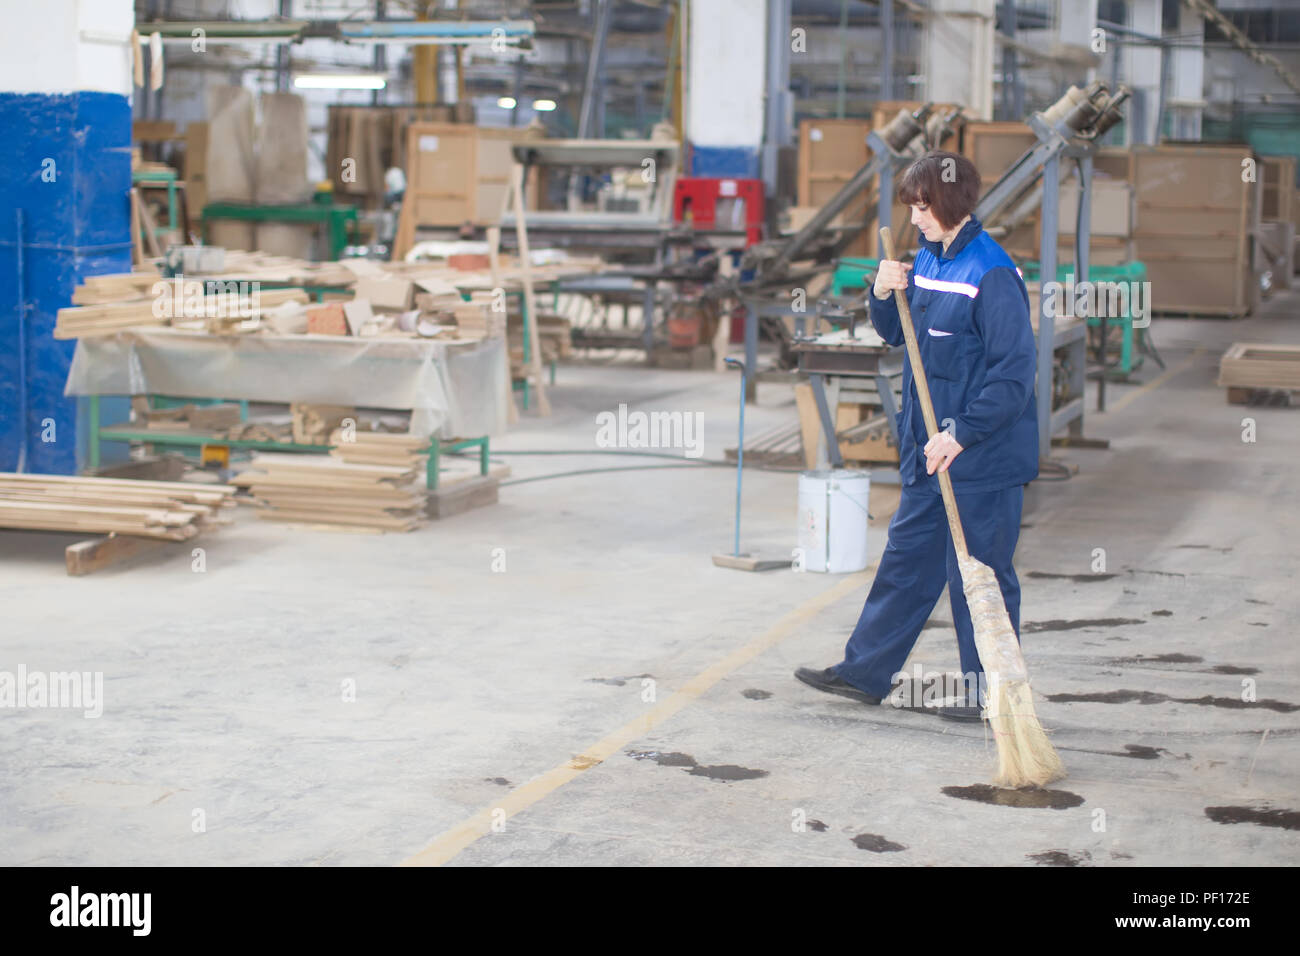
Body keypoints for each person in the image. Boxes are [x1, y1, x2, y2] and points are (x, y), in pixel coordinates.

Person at [794, 150, 1038, 721]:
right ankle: (866, 672)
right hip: (927, 453)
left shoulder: (991, 272)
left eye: (923, 206)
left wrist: (961, 433)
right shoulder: (929, 259)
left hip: (978, 458)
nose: (916, 218)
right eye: (912, 207)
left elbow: (1013, 377)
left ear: (952, 202)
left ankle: (996, 694)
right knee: (907, 560)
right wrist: (881, 292)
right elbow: (898, 336)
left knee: (978, 576)